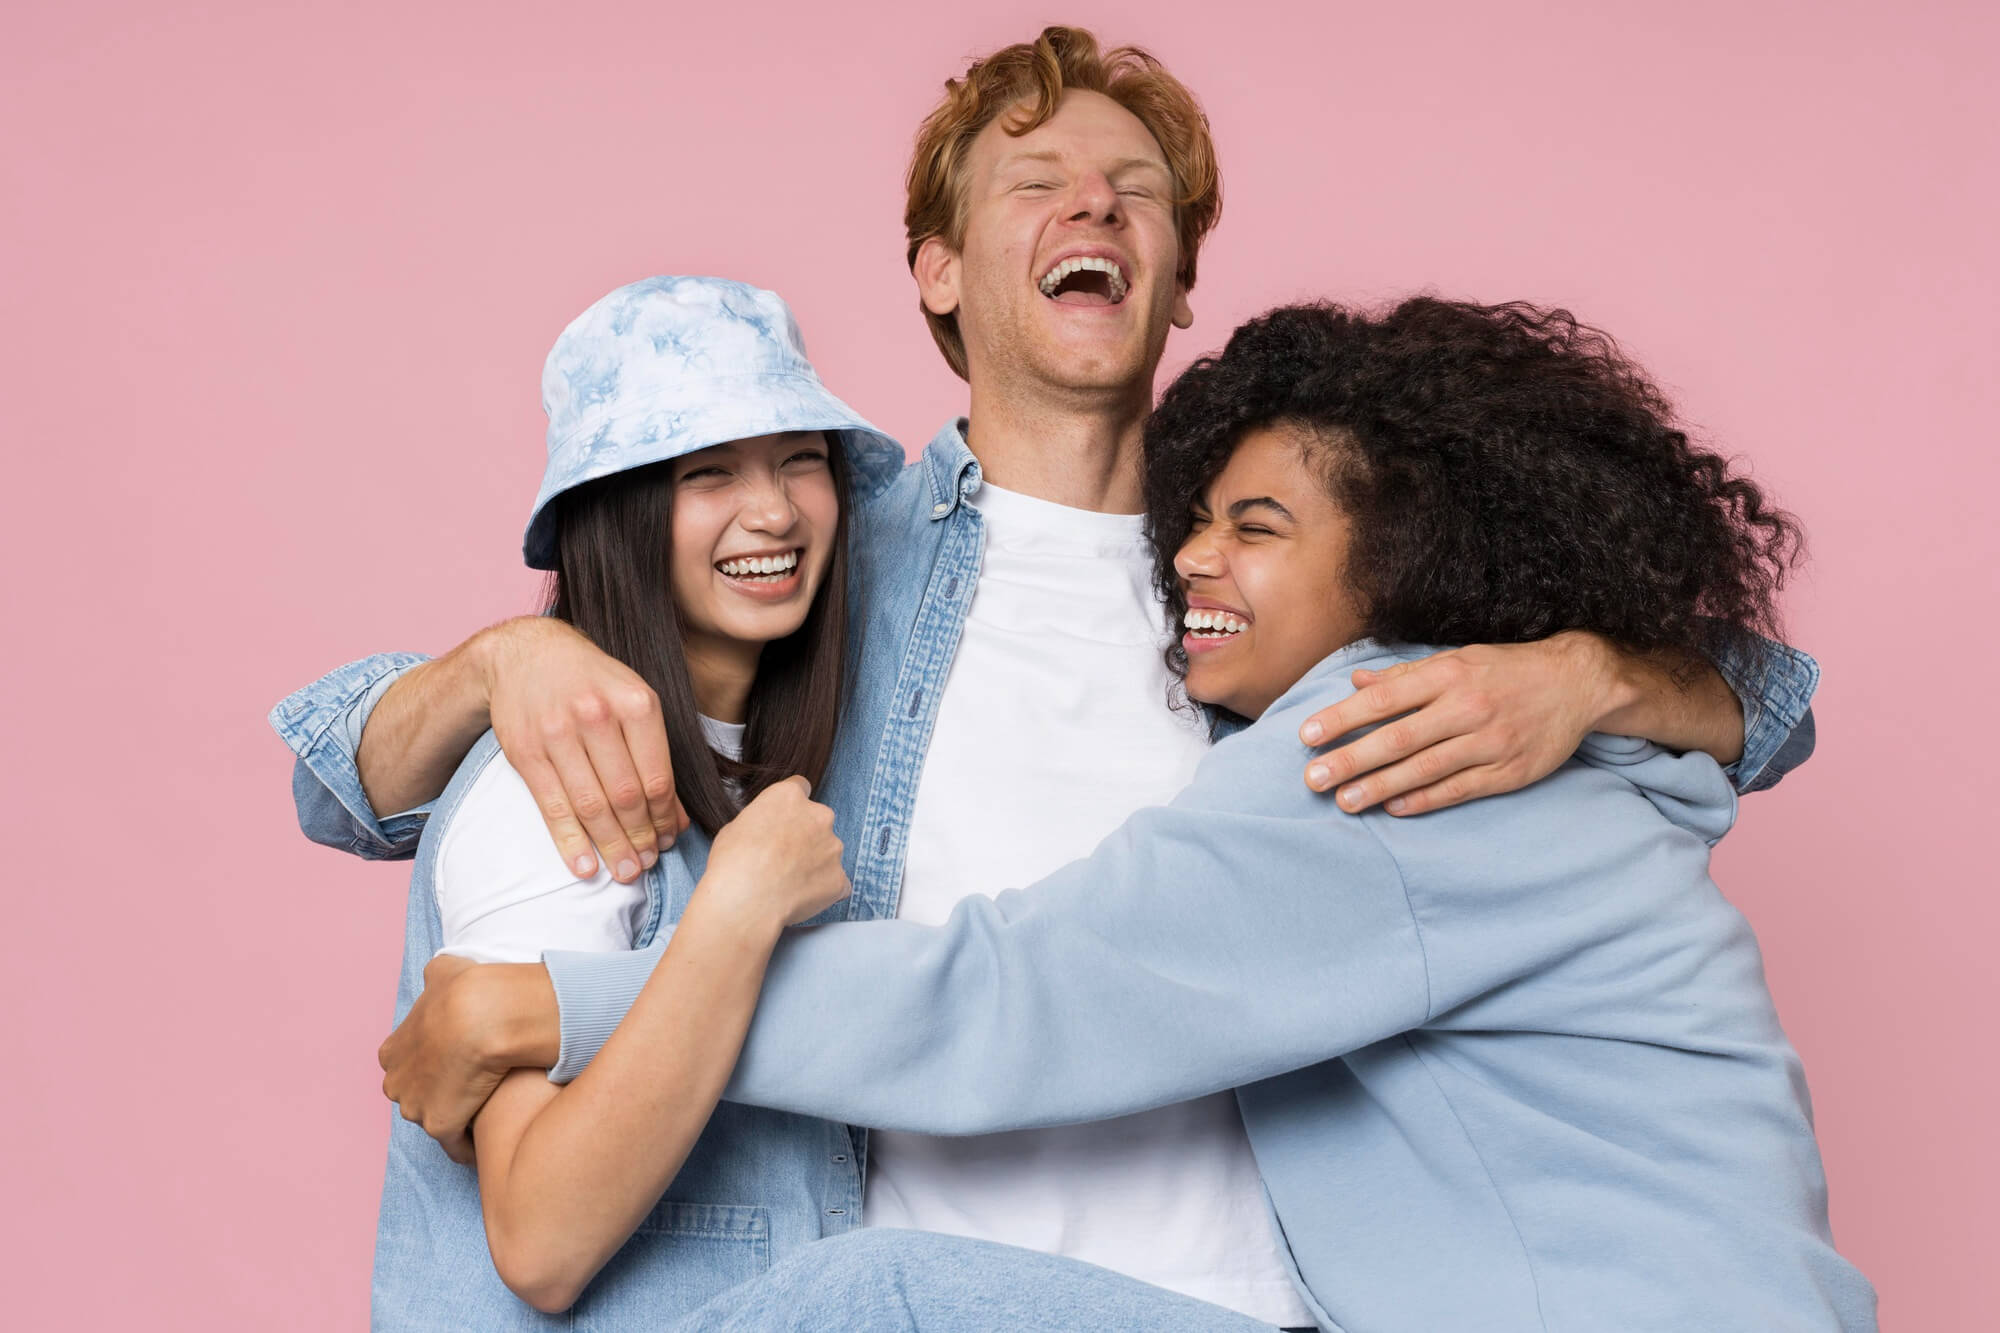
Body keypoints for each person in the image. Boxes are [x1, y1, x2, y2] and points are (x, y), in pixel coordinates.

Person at [273, 26, 1822, 1329]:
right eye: (1039, 182)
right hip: (956, 1286)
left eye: (1135, 189)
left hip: (1267, 1294)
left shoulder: (1285, 587)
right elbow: (343, 781)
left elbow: (1767, 700)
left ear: (1178, 277)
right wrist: (505, 654)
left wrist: (1584, 675)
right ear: (941, 274)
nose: (1096, 201)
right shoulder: (824, 556)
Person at [505, 298, 1879, 1331]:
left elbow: (1006, 1000)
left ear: (1409, 556)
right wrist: (510, 655)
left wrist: (552, 1011)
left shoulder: (1385, 751)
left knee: (879, 1300)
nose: (1196, 559)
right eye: (1199, 520)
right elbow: (1760, 706)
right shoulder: (1545, 731)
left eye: (1260, 527)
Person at [360, 275, 901, 1323]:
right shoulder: (562, 780)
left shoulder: (761, 753)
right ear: (618, 515)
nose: (775, 510)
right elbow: (541, 1239)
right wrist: (738, 907)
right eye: (710, 473)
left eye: (801, 459)